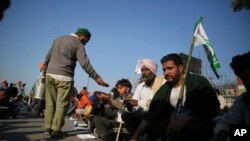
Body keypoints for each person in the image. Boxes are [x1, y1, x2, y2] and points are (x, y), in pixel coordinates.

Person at [131, 53, 220, 141]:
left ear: (180, 68)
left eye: (170, 68)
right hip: (174, 126)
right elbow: (152, 111)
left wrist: (187, 119)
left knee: (196, 129)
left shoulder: (198, 82)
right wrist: (135, 137)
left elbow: (213, 108)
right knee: (158, 126)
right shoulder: (166, 87)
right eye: (164, 69)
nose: (166, 72)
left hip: (197, 125)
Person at [43, 28, 108, 139]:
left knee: (50, 103)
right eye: (86, 40)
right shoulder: (78, 44)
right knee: (61, 105)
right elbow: (85, 63)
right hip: (65, 77)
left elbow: (48, 56)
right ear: (82, 36)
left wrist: (45, 71)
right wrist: (96, 78)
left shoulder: (57, 39)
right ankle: (56, 131)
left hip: (50, 74)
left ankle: (47, 128)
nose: (86, 43)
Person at [122, 58, 165, 135]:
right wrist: (130, 106)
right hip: (143, 117)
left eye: (146, 70)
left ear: (153, 71)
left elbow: (158, 104)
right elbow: (135, 105)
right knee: (126, 115)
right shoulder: (140, 86)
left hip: (157, 117)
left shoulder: (162, 83)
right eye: (142, 70)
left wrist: (138, 102)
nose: (143, 73)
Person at [213, 52, 250, 141]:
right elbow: (225, 122)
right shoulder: (242, 101)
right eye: (245, 78)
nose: (248, 82)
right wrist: (222, 132)